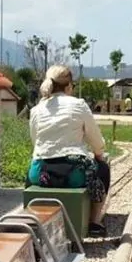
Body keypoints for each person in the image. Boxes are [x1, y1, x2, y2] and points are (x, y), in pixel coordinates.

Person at [26, 65, 111, 237]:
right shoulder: (78, 105)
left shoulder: (36, 110)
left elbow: (36, 142)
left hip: (41, 173)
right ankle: (94, 221)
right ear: (69, 86)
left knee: (29, 177)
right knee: (103, 170)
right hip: (73, 174)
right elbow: (95, 139)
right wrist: (98, 154)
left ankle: (32, 220)